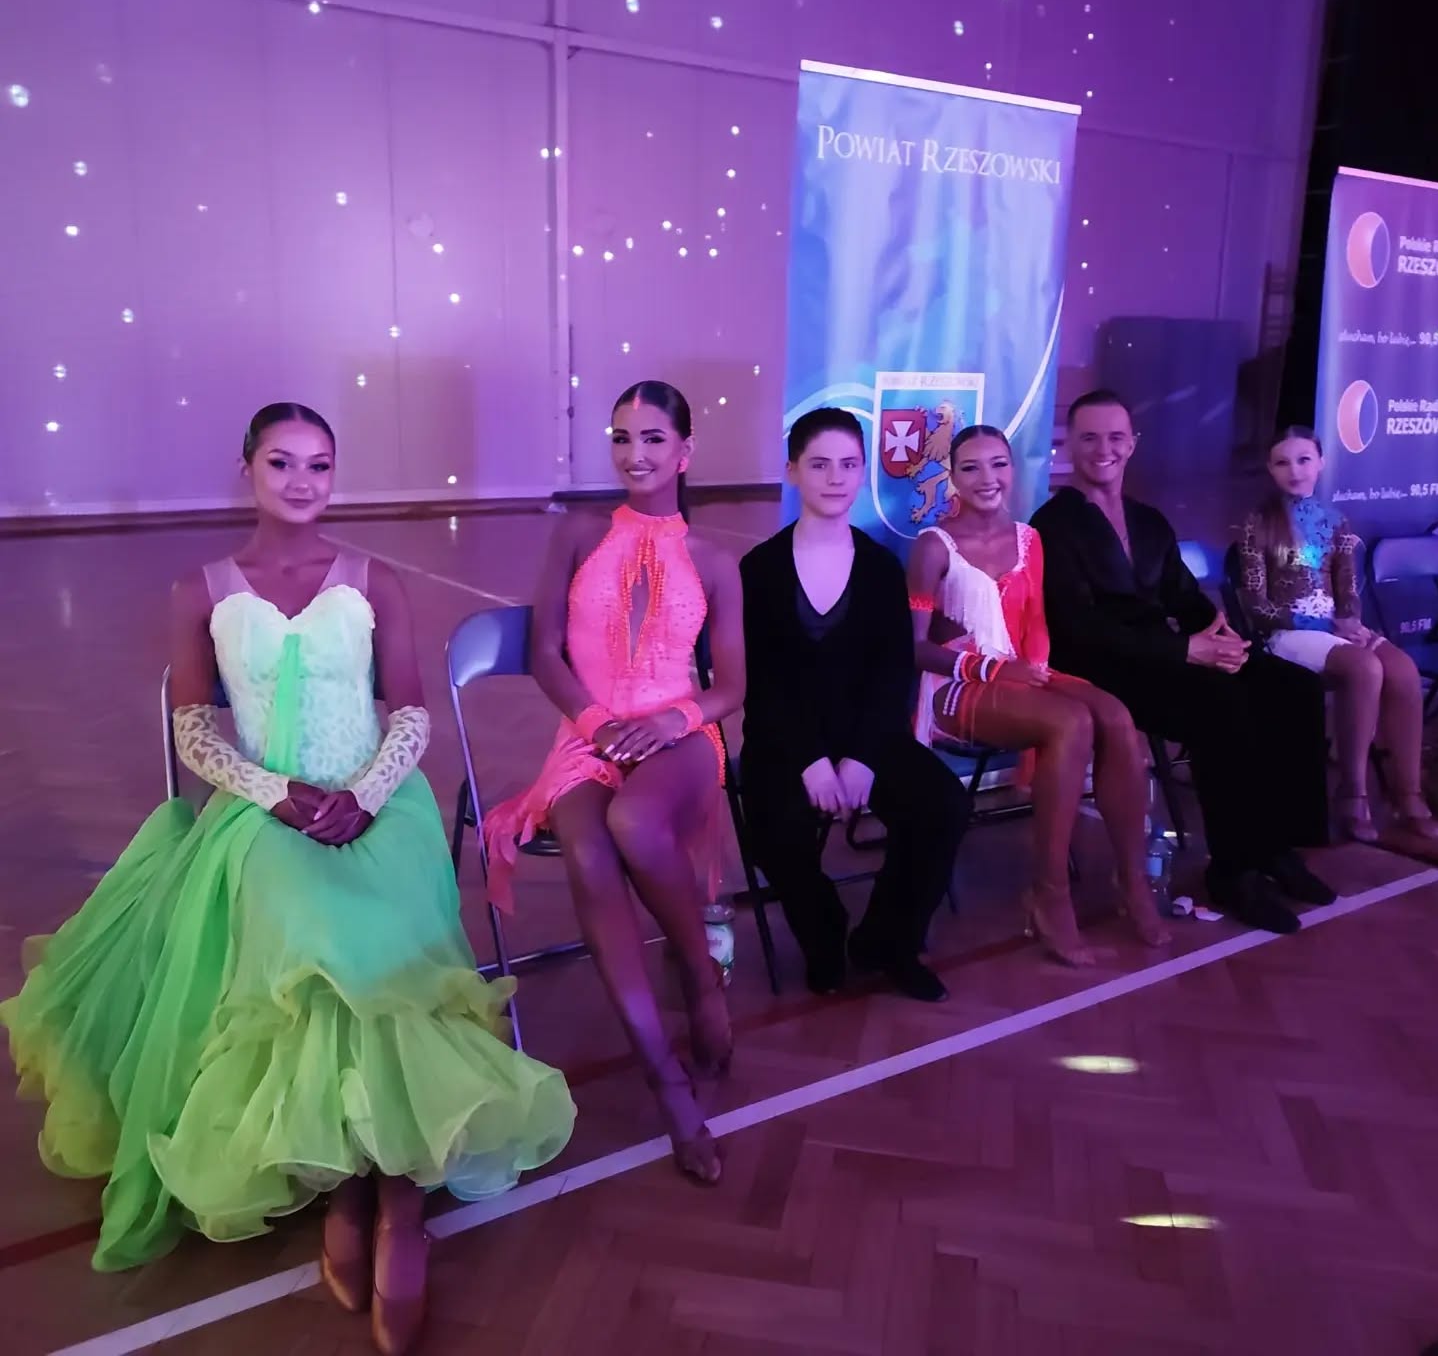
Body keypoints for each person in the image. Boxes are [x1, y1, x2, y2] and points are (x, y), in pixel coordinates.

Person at [0, 404, 574, 1354]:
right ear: (248, 470)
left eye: (319, 464)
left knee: (382, 955)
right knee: (306, 932)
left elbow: (412, 711)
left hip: (379, 804)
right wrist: (278, 794)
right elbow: (193, 728)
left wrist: (366, 794)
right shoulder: (199, 589)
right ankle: (351, 1186)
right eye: (282, 462)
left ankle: (395, 1201)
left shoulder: (376, 580)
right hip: (262, 811)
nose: (302, 481)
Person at [485, 381, 743, 1187]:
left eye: (654, 438)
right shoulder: (576, 533)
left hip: (681, 734)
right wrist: (597, 724)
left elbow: (734, 685)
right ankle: (667, 1082)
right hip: (586, 735)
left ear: (685, 452)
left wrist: (673, 719)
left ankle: (697, 972)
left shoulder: (715, 561)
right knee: (591, 851)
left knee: (634, 822)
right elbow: (544, 653)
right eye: (623, 438)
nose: (636, 454)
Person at [1031, 390, 1333, 936]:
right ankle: (1233, 871)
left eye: (1115, 437)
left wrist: (1222, 636)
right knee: (1222, 702)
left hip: (1167, 657)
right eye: (1090, 437)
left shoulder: (1147, 520)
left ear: (1132, 443)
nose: (1104, 449)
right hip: (1100, 668)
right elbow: (1079, 628)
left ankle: (1277, 847)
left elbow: (1183, 596)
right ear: (1070, 445)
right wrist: (1186, 650)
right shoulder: (1052, 524)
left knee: (1291, 686)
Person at [910, 424, 1170, 966]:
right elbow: (914, 649)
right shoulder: (934, 547)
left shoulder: (1030, 539)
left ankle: (1131, 879)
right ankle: (1050, 894)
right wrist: (988, 668)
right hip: (955, 687)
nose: (987, 478)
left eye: (998, 464)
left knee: (1116, 716)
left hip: (1020, 672)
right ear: (952, 477)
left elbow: (1035, 627)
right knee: (1071, 722)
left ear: (1013, 469)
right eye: (971, 467)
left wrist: (1035, 674)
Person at [739, 408, 965, 1001]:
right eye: (819, 464)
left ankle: (888, 940)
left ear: (863, 471)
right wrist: (811, 761)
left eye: (847, 464)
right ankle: (823, 930)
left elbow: (892, 674)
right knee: (773, 829)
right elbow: (762, 682)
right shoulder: (758, 570)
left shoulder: (881, 568)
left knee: (941, 805)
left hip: (867, 735)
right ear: (792, 471)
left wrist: (862, 758)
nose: (835, 477)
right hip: (784, 740)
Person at [1239, 426, 1438, 843]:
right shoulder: (1258, 523)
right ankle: (1352, 794)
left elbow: (1347, 589)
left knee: (1402, 669)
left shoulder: (1336, 521)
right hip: (1286, 634)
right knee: (1364, 668)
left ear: (1321, 463)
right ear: (1270, 469)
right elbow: (1256, 606)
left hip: (1335, 630)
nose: (1295, 471)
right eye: (1282, 462)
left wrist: (1351, 622)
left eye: (1304, 460)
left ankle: (1408, 794)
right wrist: (1321, 625)